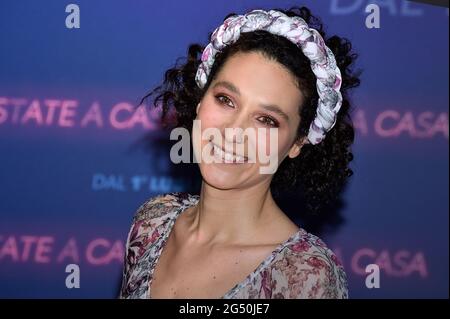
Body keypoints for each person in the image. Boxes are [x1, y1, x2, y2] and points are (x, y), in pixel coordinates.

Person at [119, 6, 361, 299]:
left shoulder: (305, 274)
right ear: (200, 100)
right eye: (225, 100)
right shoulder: (152, 223)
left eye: (267, 120)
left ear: (298, 142)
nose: (233, 132)